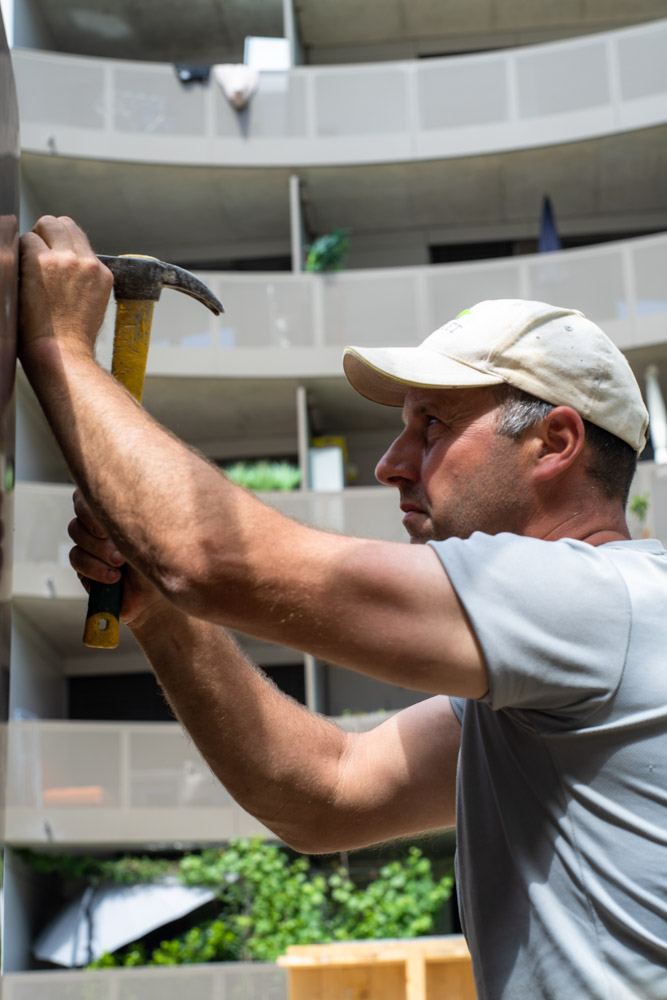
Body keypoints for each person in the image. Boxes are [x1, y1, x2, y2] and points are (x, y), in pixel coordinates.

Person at [18, 215, 667, 999]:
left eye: (432, 425)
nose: (390, 465)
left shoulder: (600, 602)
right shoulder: (553, 674)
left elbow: (207, 556)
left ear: (554, 442)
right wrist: (160, 614)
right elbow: (323, 794)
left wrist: (58, 345)